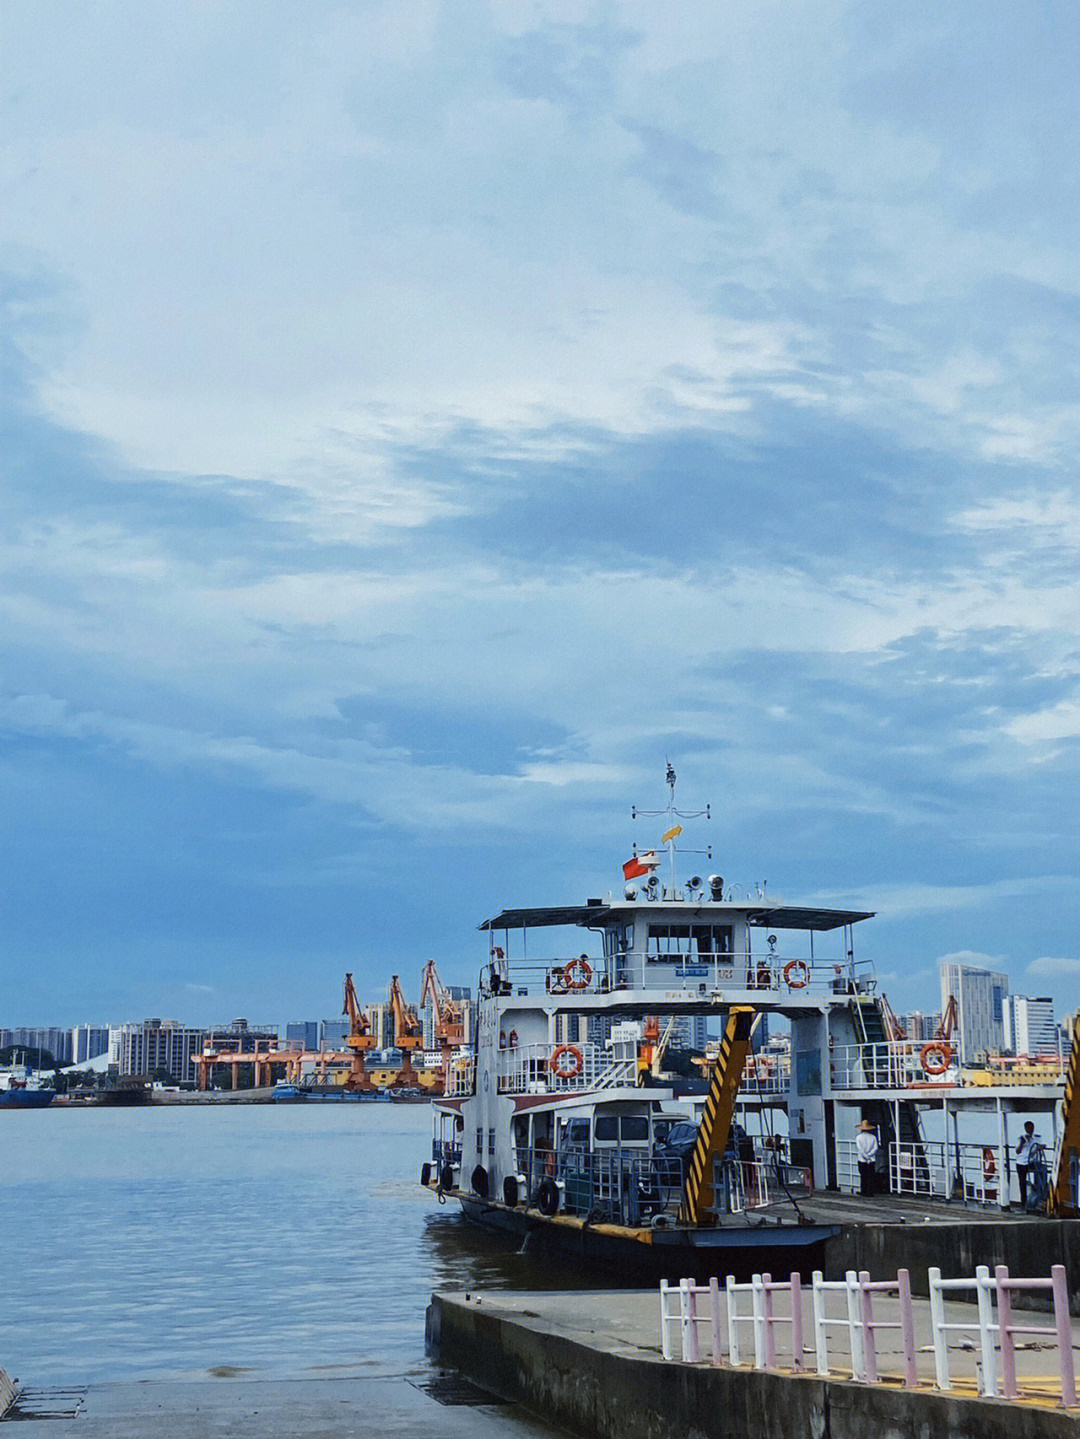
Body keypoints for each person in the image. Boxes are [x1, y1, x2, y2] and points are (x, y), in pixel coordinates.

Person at [1015, 1121, 1040, 1209]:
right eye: (1029, 1128)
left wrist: (1038, 1148)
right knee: (1022, 1182)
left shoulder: (1035, 1139)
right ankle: (1023, 1202)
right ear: (1025, 1129)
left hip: (1030, 1162)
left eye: (1032, 1128)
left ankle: (1038, 1197)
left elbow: (1033, 1153)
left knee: (1040, 1171)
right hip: (1021, 1162)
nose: (1031, 1130)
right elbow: (1017, 1151)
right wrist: (1022, 1143)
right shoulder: (1021, 1138)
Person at [855, 1118, 879, 1196]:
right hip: (872, 1159)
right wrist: (869, 1155)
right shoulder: (873, 1137)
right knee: (871, 1176)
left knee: (863, 1175)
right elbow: (875, 1148)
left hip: (862, 1159)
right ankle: (870, 1191)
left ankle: (863, 1191)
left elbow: (860, 1149)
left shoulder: (858, 1137)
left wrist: (866, 1156)